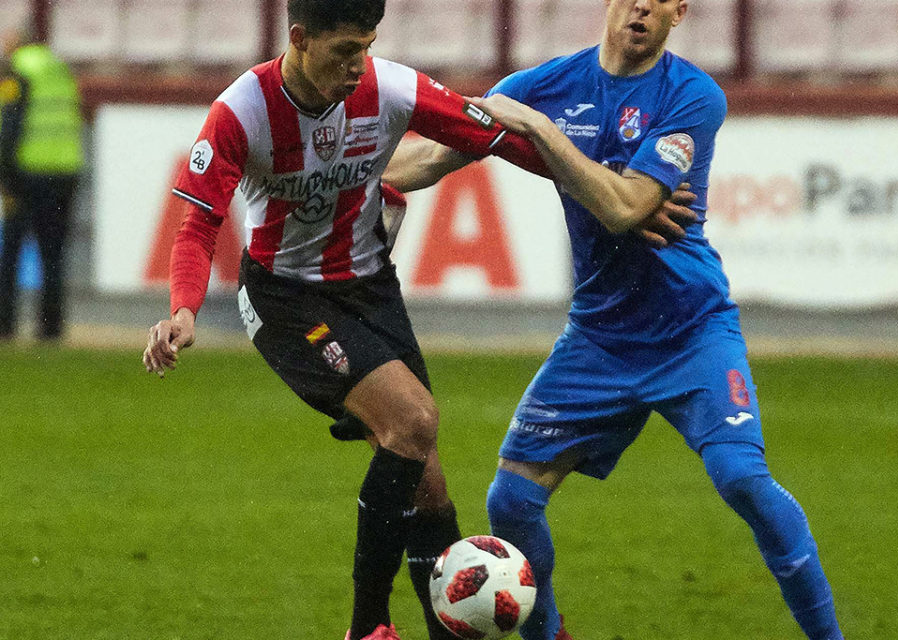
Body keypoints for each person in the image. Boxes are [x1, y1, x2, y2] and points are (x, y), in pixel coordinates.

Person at [139, 1, 697, 638]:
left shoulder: (390, 87)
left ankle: (448, 631)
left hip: (371, 290)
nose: (357, 66)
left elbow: (500, 138)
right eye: (344, 51)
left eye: (368, 47)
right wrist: (183, 308)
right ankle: (368, 627)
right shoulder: (242, 111)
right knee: (413, 421)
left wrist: (616, 196)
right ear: (299, 39)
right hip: (286, 300)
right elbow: (198, 225)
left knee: (425, 478)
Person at [382, 1, 845, 639]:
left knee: (742, 478)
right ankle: (547, 634)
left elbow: (628, 208)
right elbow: (431, 159)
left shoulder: (692, 96)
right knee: (510, 499)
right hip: (599, 337)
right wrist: (337, 180)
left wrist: (543, 134)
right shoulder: (544, 86)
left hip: (691, 329)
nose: (644, 6)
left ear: (679, 13)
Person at [0, 28, 84, 341]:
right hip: (65, 171)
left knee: (11, 251)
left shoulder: (18, 70)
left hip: (28, 173)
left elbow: (11, 124)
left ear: (17, 43)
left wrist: (5, 176)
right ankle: (50, 329)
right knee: (53, 254)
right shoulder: (60, 69)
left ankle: (5, 325)